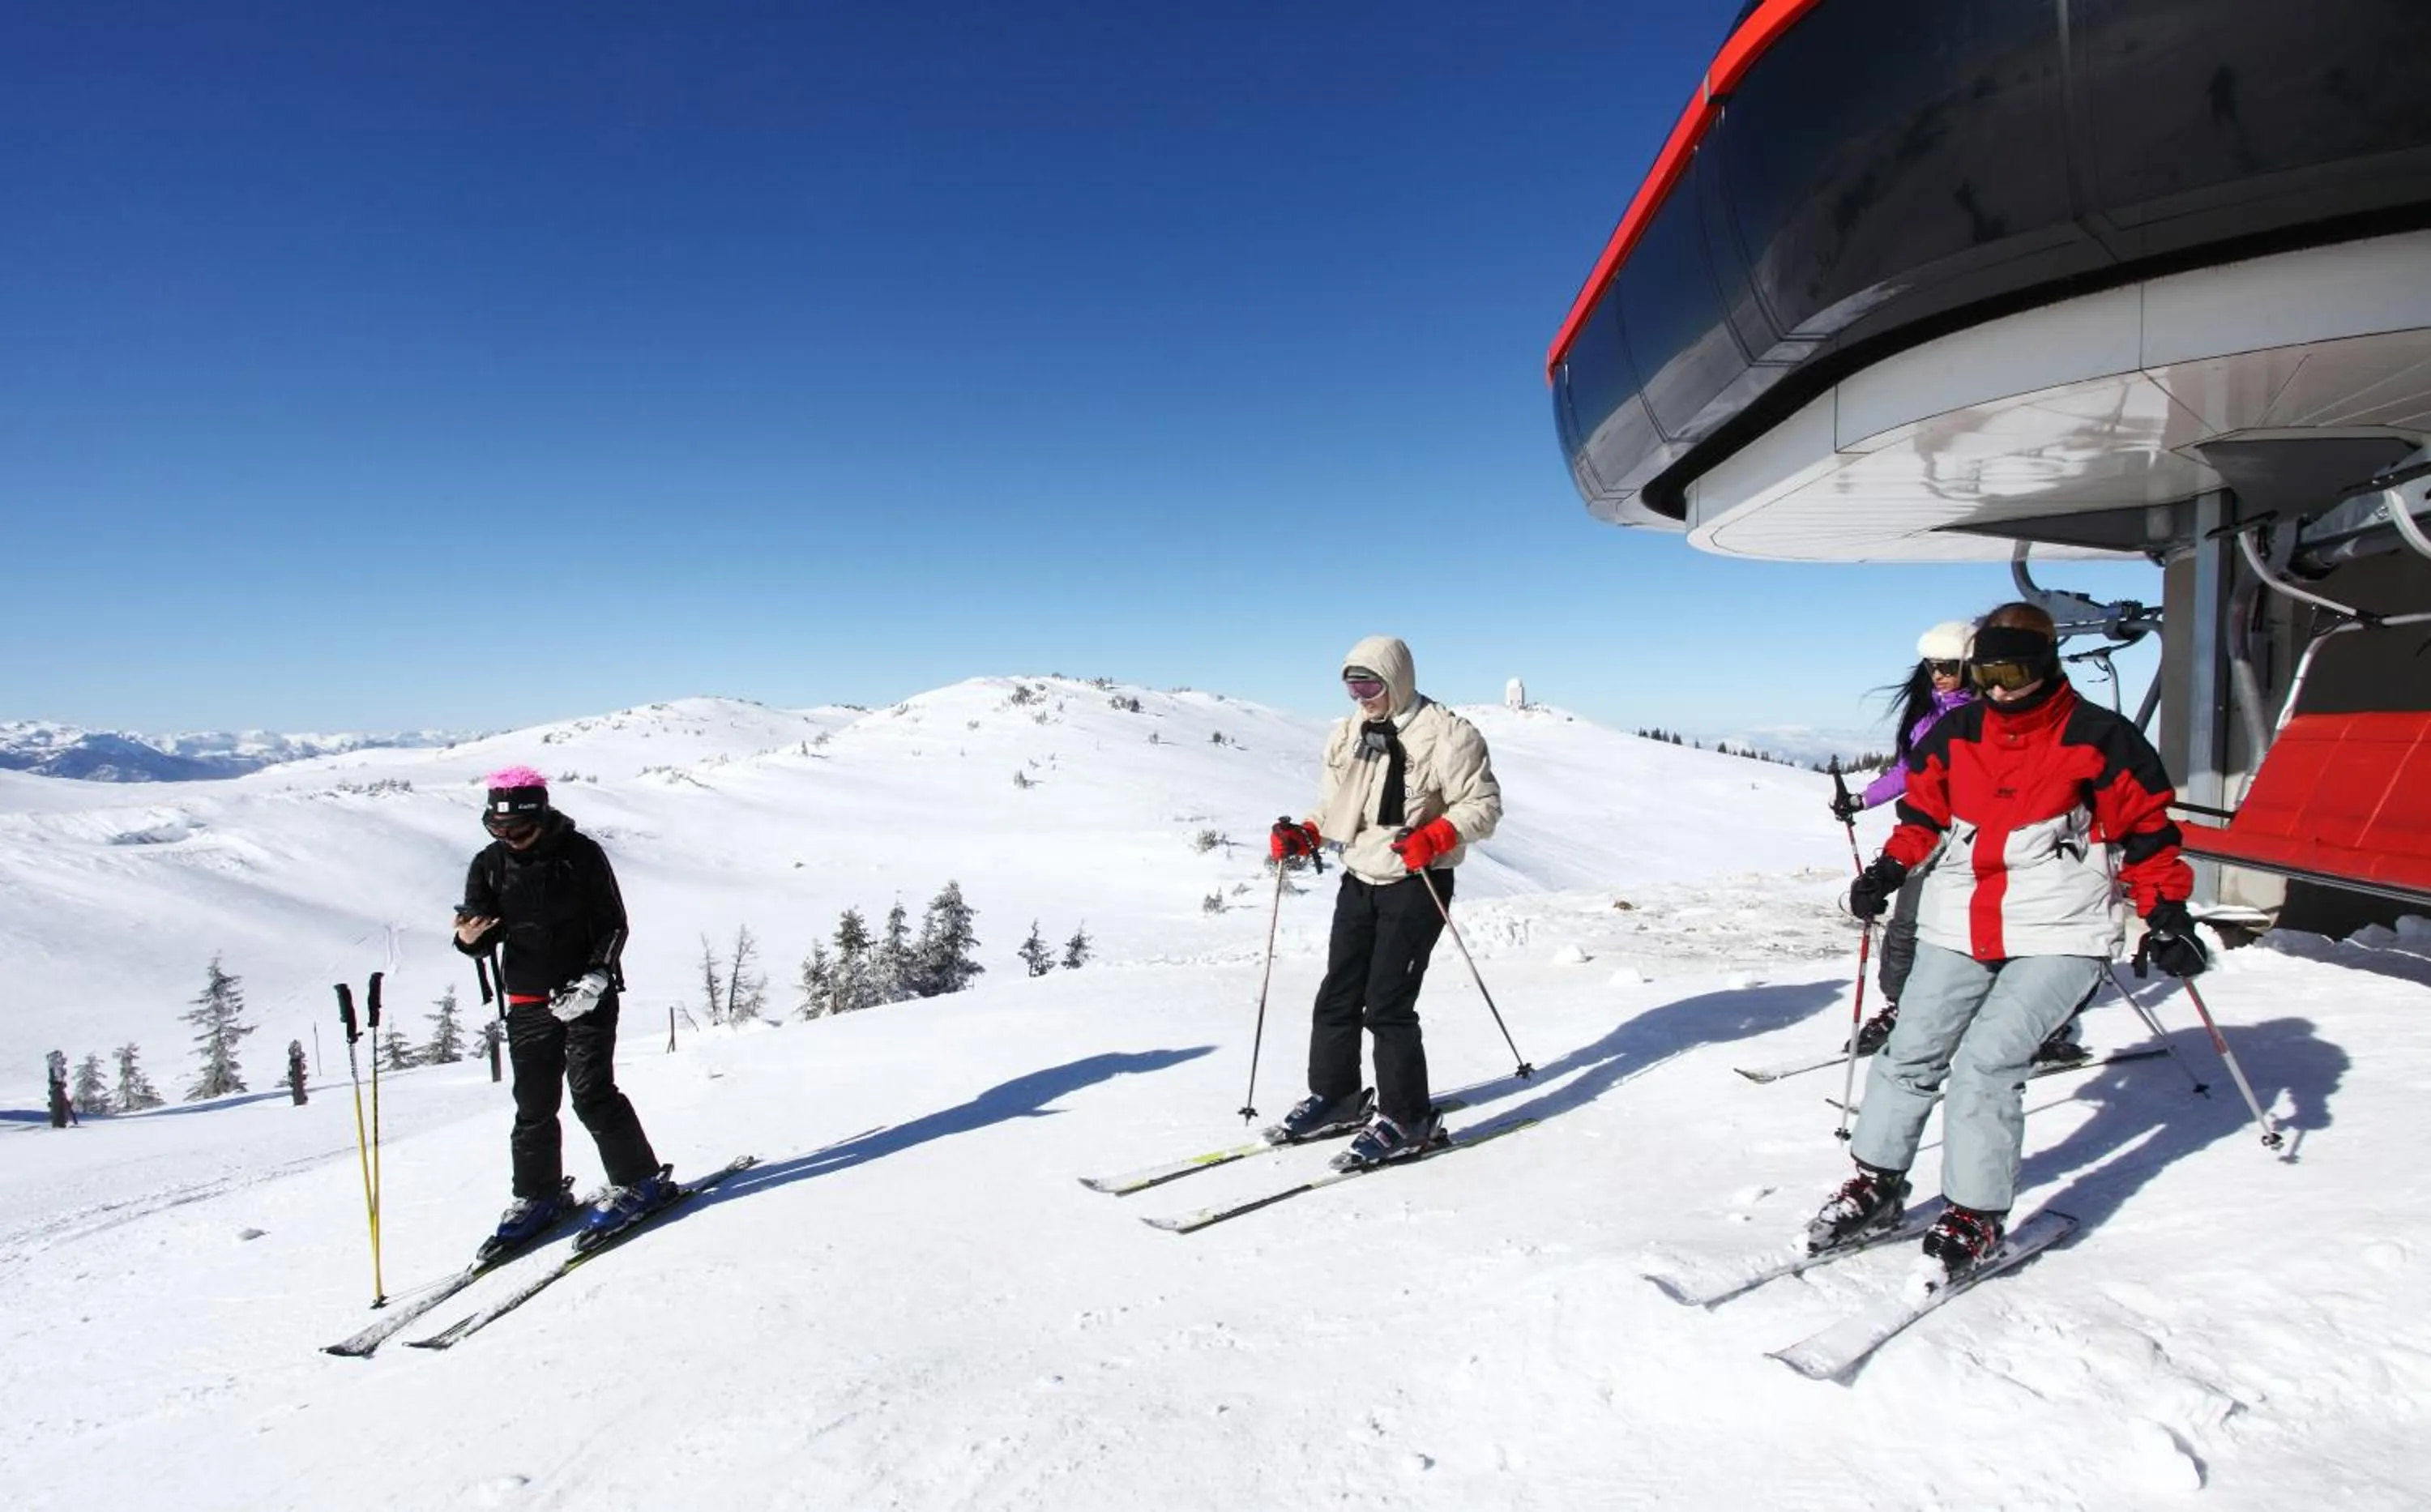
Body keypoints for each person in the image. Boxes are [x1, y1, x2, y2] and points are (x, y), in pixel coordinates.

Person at [1805, 603, 2208, 1286]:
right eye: (1986, 672)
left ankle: (1975, 1212)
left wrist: (2167, 913)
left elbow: (2147, 834)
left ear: (2046, 664)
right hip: (1961, 918)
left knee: (1987, 1064)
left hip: (2061, 926)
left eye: (2014, 670)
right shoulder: (1957, 732)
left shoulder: (2098, 738)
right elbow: (1923, 815)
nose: (1999, 688)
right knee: (1911, 1049)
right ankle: (1878, 1182)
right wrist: (1887, 870)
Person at [1267, 637, 1503, 1167]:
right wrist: (1307, 833)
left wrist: (1438, 835)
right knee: (1338, 993)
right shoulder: (1350, 733)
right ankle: (1337, 1097)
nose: (1361, 695)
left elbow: (1483, 806)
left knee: (1388, 1005)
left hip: (1416, 883)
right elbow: (1333, 804)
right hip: (1360, 875)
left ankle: (1407, 1117)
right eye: (1352, 685)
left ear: (1396, 679)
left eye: (1370, 683)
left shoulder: (1449, 735)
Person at [453, 766, 672, 1253]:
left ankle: (640, 1181)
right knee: (533, 1106)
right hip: (527, 1000)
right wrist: (467, 938)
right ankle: (538, 1195)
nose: (509, 839)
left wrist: (596, 977)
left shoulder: (581, 855)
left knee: (591, 1092)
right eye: (497, 829)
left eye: (518, 830)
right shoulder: (488, 864)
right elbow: (480, 932)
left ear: (543, 817)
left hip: (587, 994)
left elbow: (614, 922)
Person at [1830, 621, 1976, 1056]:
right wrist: (1861, 800)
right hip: (1928, 834)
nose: (1939, 675)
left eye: (1949, 666)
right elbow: (1910, 770)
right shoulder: (1929, 712)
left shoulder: (1989, 716)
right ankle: (1902, 1006)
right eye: (1932, 666)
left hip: (1981, 837)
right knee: (1907, 923)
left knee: (1980, 928)